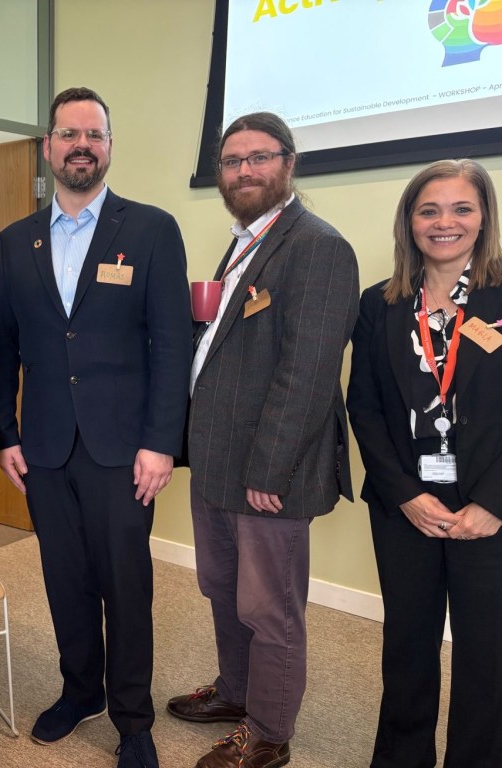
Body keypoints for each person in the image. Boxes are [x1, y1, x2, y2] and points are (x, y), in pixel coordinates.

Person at [0, 87, 192, 768]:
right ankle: (81, 691)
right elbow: (1, 347)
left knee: (126, 587)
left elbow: (172, 346)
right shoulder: (15, 241)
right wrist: (7, 434)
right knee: (65, 579)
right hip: (44, 447)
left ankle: (133, 720)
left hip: (124, 449)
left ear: (108, 146)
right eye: (69, 134)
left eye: (94, 135)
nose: (81, 146)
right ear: (48, 147)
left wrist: (161, 443)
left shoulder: (152, 229)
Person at [165, 112, 358, 768]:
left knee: (269, 608)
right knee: (223, 590)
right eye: (232, 161)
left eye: (259, 157)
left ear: (289, 163)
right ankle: (237, 691)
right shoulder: (247, 241)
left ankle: (269, 733)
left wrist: (269, 472)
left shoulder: (318, 246)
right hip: (218, 461)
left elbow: (307, 374)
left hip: (267, 474)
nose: (244, 170)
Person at [347, 159, 502, 768]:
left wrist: (493, 503)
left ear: (484, 217)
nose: (445, 222)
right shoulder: (379, 303)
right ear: (409, 222)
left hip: (489, 508)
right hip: (406, 503)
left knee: (486, 652)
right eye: (428, 210)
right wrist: (405, 494)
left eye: (462, 208)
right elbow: (364, 407)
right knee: (407, 645)